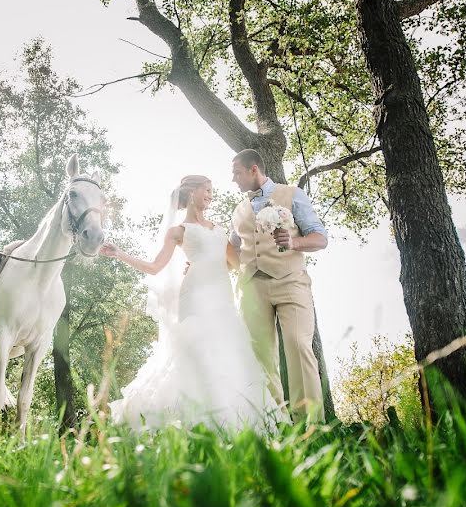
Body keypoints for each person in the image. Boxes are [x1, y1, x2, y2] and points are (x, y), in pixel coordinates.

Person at [99, 175, 285, 431]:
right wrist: (119, 254)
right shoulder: (177, 232)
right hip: (194, 295)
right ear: (191, 193)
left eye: (211, 190)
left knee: (229, 350)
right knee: (197, 349)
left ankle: (233, 421)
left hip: (221, 296)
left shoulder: (219, 229)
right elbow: (154, 267)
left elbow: (236, 263)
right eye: (207, 189)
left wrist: (268, 235)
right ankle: (189, 420)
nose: (210, 194)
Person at [230, 149, 328, 422]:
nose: (233, 179)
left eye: (236, 172)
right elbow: (231, 252)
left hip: (291, 281)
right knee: (260, 356)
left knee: (298, 345)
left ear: (253, 170)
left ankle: (310, 425)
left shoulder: (292, 194)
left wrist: (294, 242)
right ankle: (276, 423)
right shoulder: (237, 212)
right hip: (251, 288)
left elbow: (320, 238)